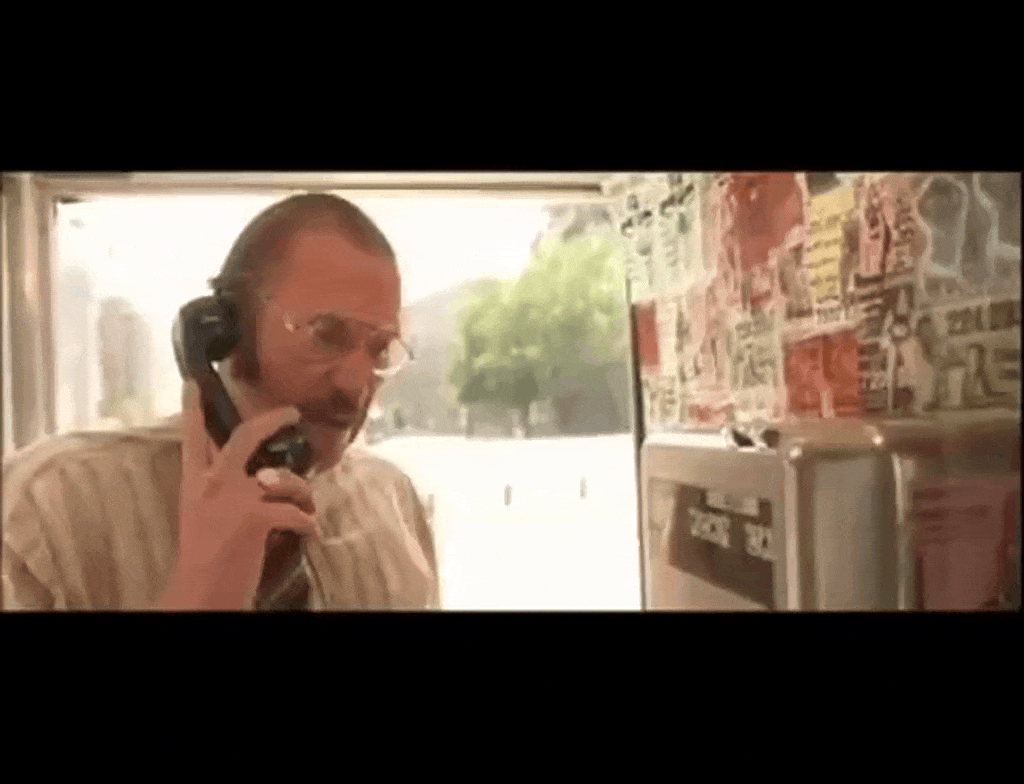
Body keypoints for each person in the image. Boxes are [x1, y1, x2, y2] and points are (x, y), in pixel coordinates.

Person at [2, 193, 438, 611]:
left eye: (379, 350)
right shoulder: (45, 507)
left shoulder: (393, 503)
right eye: (326, 333)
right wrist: (200, 594)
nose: (357, 383)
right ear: (225, 331)